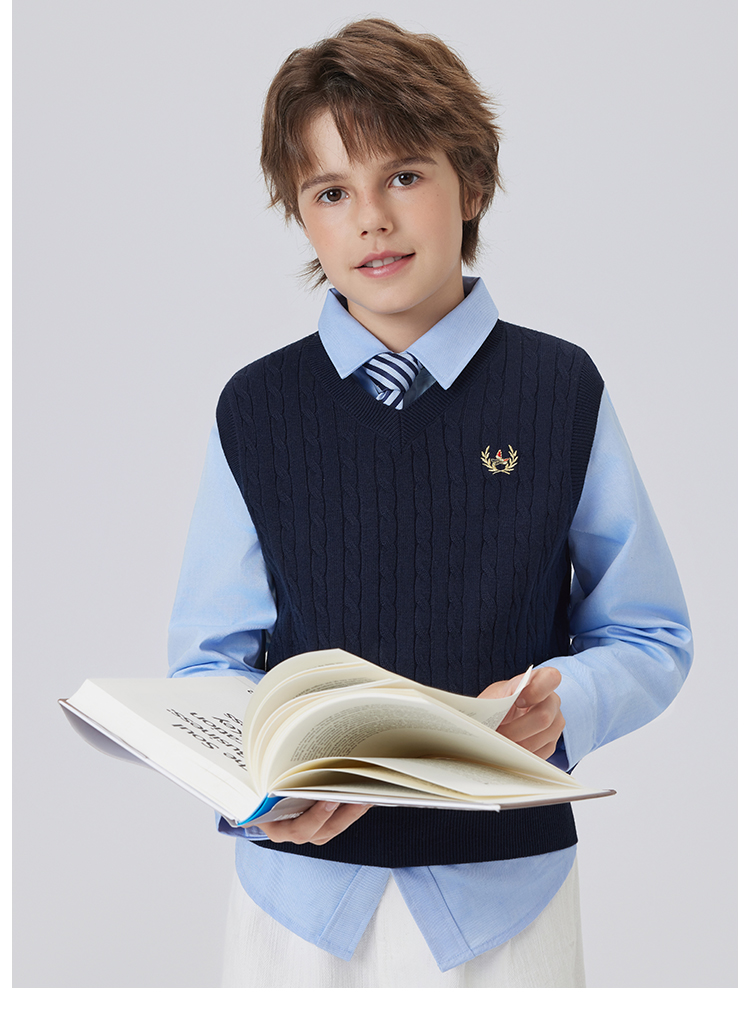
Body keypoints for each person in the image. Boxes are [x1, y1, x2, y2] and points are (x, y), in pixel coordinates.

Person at [168, 18, 693, 988]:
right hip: (296, 904)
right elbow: (209, 663)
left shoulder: (559, 390)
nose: (371, 218)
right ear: (301, 214)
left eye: (404, 176)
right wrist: (256, 793)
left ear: (472, 184)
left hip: (509, 900)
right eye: (331, 191)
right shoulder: (257, 407)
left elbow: (650, 633)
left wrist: (563, 707)